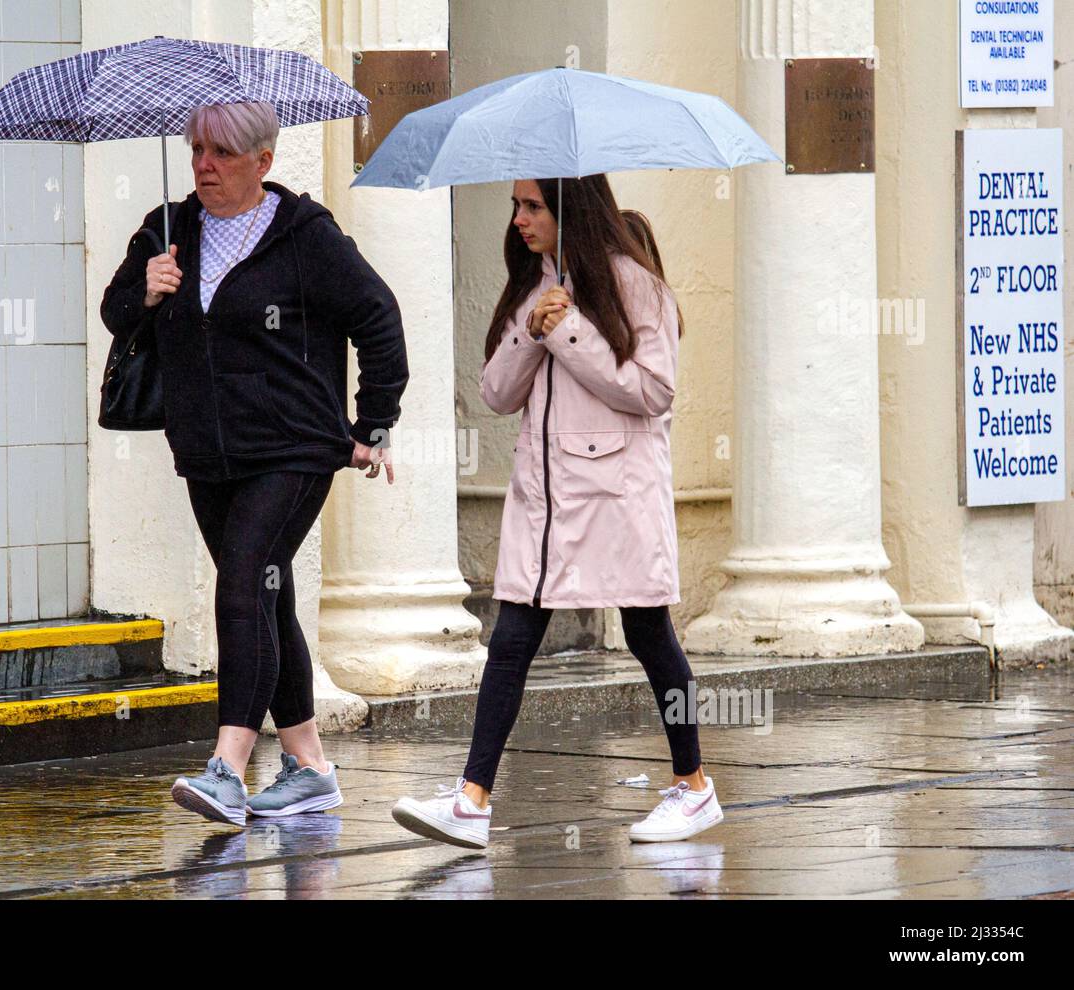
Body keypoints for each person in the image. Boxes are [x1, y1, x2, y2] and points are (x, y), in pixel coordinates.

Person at [100, 101, 408, 827]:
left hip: (294, 446)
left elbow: (378, 316)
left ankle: (228, 768)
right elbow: (116, 314)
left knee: (241, 583)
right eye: (198, 149)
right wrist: (146, 289)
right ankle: (310, 768)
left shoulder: (305, 235)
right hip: (207, 450)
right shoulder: (166, 228)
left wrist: (372, 423)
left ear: (262, 163)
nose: (205, 165)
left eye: (223, 154)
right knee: (267, 598)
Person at [390, 174, 721, 849]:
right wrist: (533, 332)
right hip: (544, 504)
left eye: (532, 205)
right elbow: (495, 393)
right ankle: (472, 798)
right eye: (516, 206)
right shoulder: (535, 284)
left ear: (570, 209)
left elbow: (652, 391)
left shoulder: (636, 286)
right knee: (510, 641)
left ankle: (694, 787)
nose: (518, 219)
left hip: (619, 498)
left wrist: (570, 330)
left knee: (648, 633)